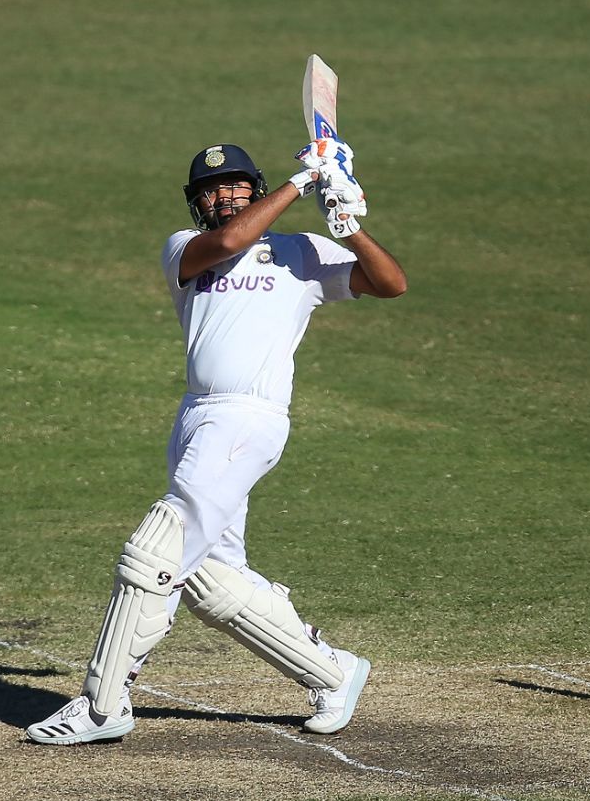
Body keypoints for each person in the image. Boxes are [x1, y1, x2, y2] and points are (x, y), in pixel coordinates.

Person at [26, 140, 407, 745]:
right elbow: (229, 243)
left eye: (233, 184)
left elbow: (391, 284)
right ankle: (334, 673)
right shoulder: (185, 248)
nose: (221, 196)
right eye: (209, 189)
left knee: (157, 552)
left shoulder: (301, 253)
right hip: (196, 416)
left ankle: (103, 705)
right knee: (209, 576)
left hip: (247, 418)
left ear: (252, 189)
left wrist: (351, 229)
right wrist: (303, 178)